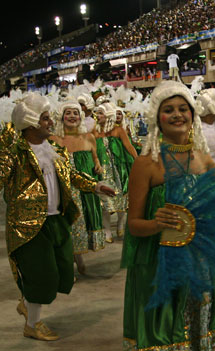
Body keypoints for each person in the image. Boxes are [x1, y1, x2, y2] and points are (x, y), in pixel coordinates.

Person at [122, 80, 215, 350]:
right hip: (161, 264)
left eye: (183, 108)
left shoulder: (202, 158)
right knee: (168, 327)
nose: (177, 114)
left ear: (192, 114)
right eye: (169, 109)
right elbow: (134, 225)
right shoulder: (145, 164)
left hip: (202, 261)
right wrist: (155, 224)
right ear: (157, 118)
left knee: (200, 323)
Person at [1, 92, 114, 341]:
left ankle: (27, 298)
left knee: (63, 270)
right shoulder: (15, 152)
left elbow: (70, 174)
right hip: (28, 225)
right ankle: (33, 323)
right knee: (43, 275)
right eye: (44, 119)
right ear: (30, 123)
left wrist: (95, 186)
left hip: (57, 218)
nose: (50, 122)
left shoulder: (51, 147)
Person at [49, 98, 105, 276]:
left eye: (75, 113)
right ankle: (68, 266)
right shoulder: (54, 139)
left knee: (81, 223)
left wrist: (98, 165)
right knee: (67, 225)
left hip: (85, 188)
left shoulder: (88, 137)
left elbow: (95, 157)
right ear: (61, 116)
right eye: (68, 113)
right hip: (63, 189)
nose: (72, 116)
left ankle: (77, 258)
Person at [94, 102, 138, 242]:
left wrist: (138, 161)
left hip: (119, 171)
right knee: (105, 201)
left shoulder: (118, 130)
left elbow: (129, 146)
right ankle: (107, 230)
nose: (97, 116)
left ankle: (120, 223)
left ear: (107, 115)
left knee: (122, 200)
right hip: (103, 171)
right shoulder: (94, 131)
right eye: (97, 113)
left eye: (100, 113)